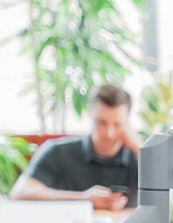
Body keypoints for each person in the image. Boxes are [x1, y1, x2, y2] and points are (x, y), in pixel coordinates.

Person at [11, 84, 140, 210]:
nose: (109, 133)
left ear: (128, 123)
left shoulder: (138, 157)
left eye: (117, 124)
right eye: (101, 122)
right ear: (90, 115)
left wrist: (141, 149)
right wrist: (83, 199)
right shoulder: (57, 151)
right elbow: (20, 193)